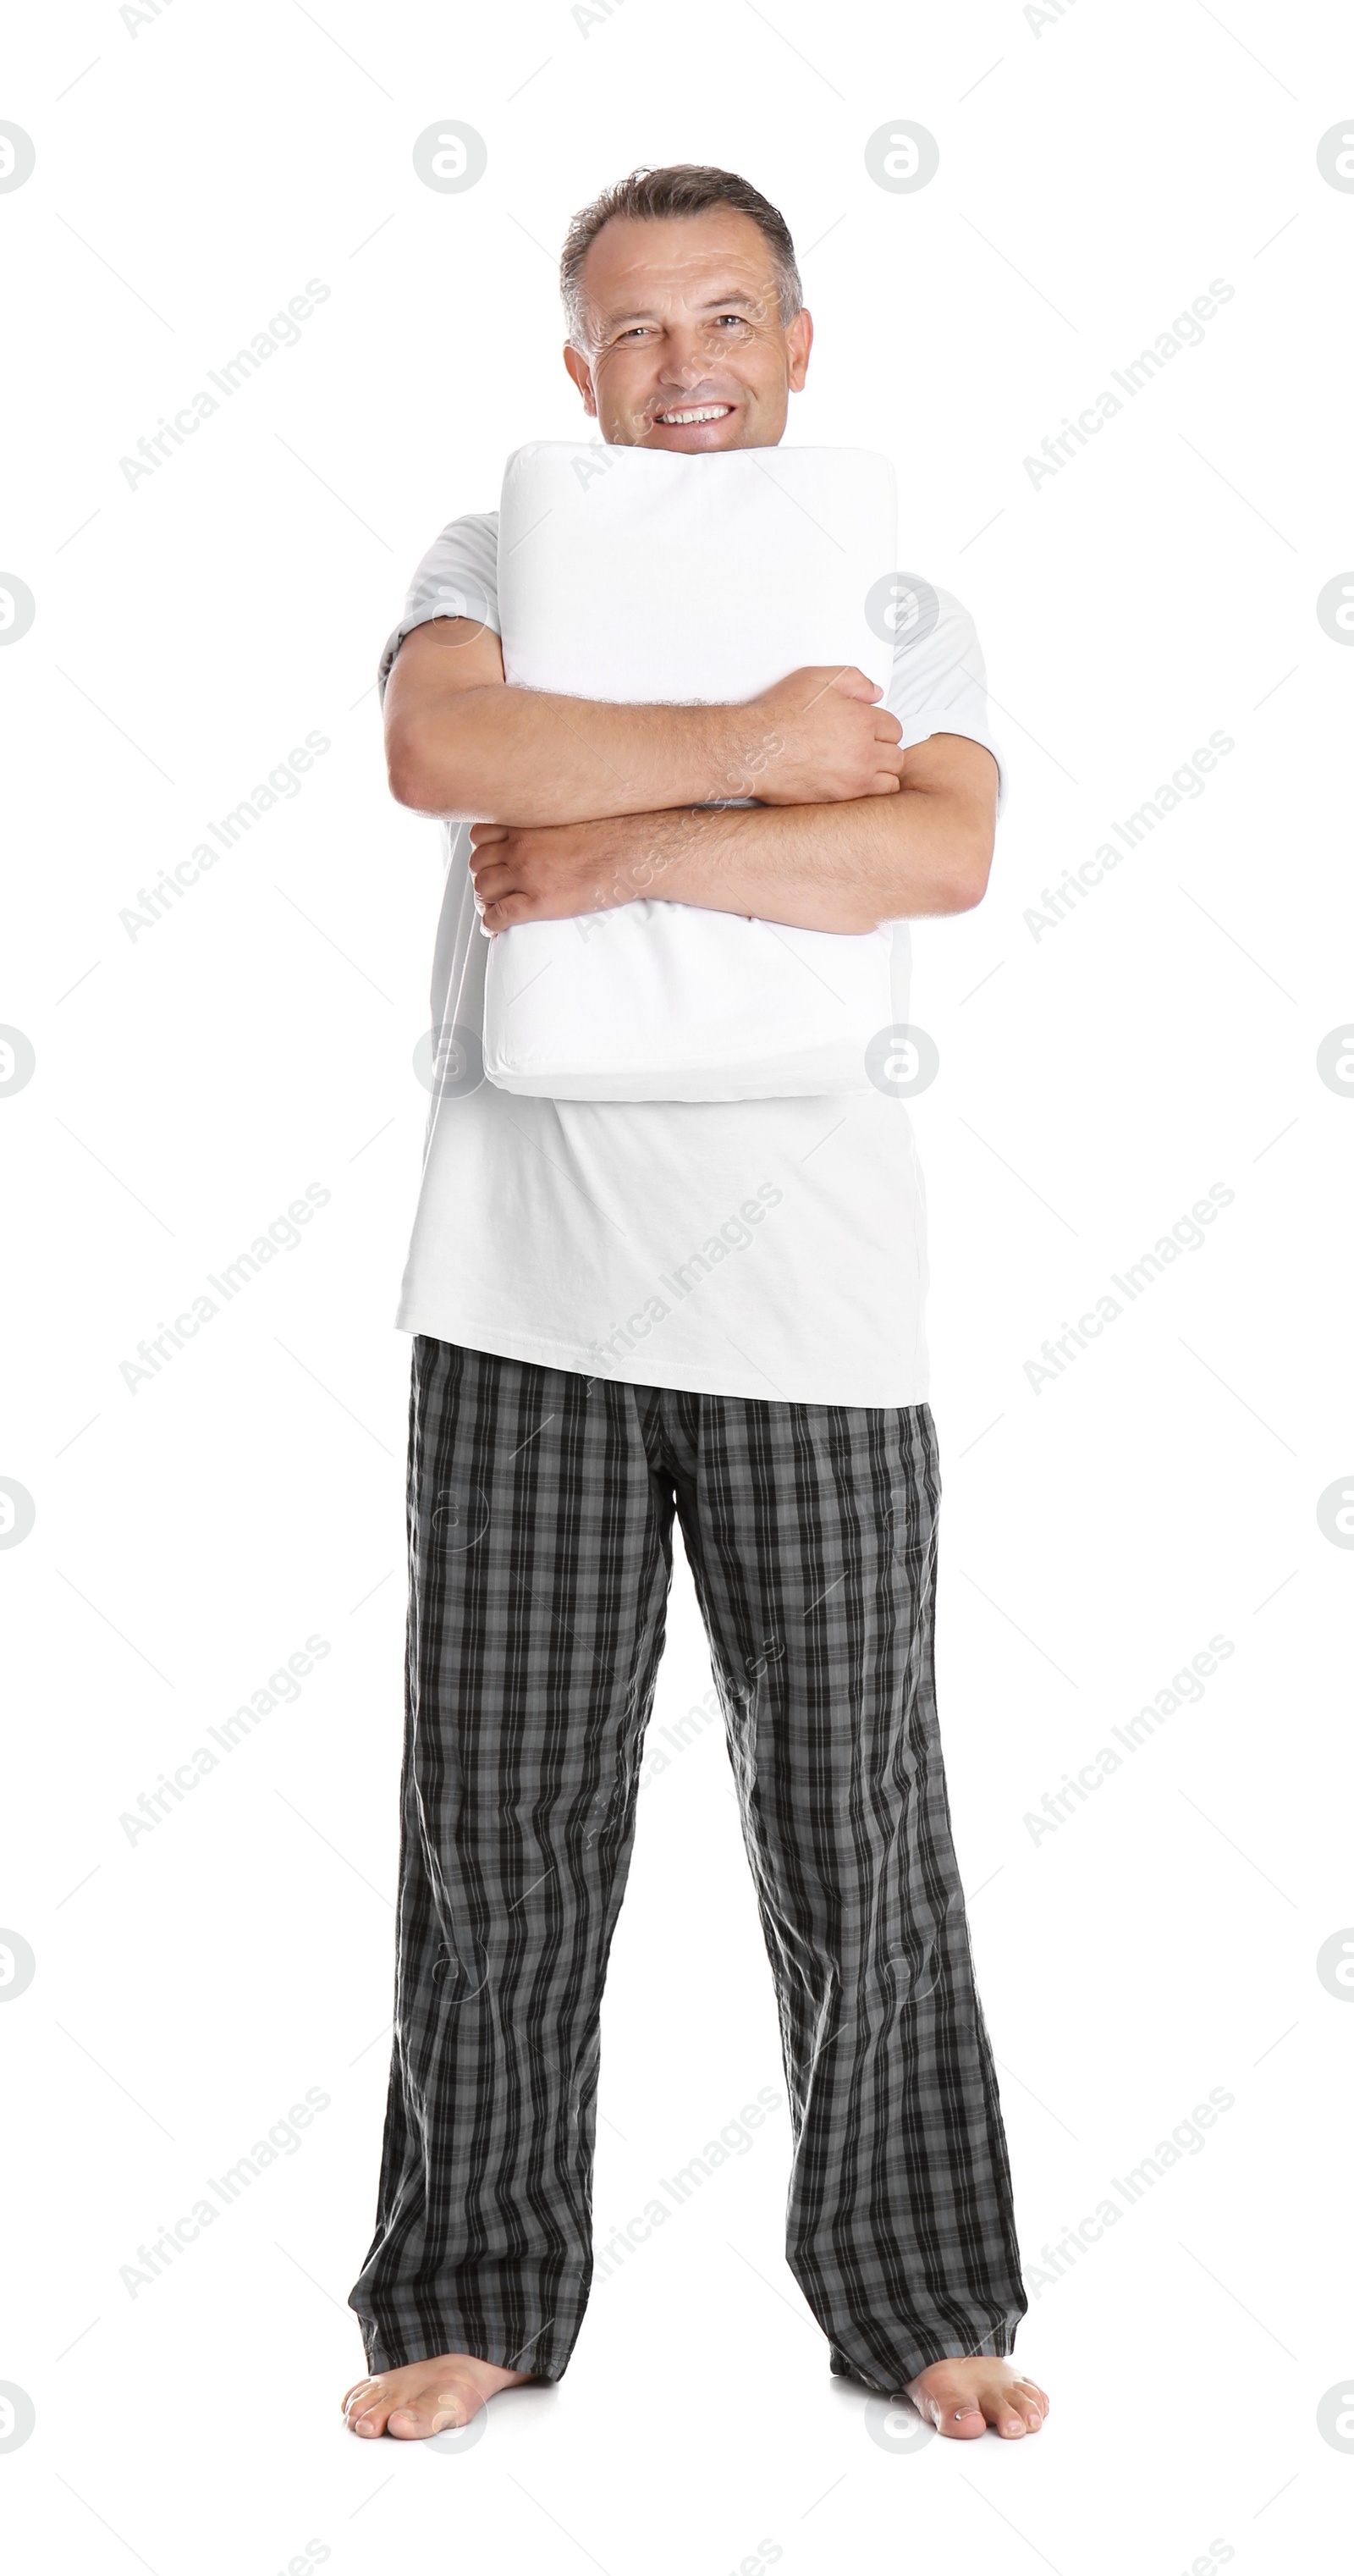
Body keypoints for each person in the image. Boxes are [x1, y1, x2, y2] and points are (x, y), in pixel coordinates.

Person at [342, 163, 1047, 2447]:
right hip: (518, 1281)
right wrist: (762, 745)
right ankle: (465, 2292)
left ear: (800, 343)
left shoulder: (897, 590)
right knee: (501, 1814)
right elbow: (452, 753)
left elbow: (925, 848)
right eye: (636, 329)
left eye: (728, 316)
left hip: (810, 1295)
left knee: (857, 1807)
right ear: (579, 368)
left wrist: (633, 833)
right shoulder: (489, 564)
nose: (686, 364)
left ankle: (920, 2290)